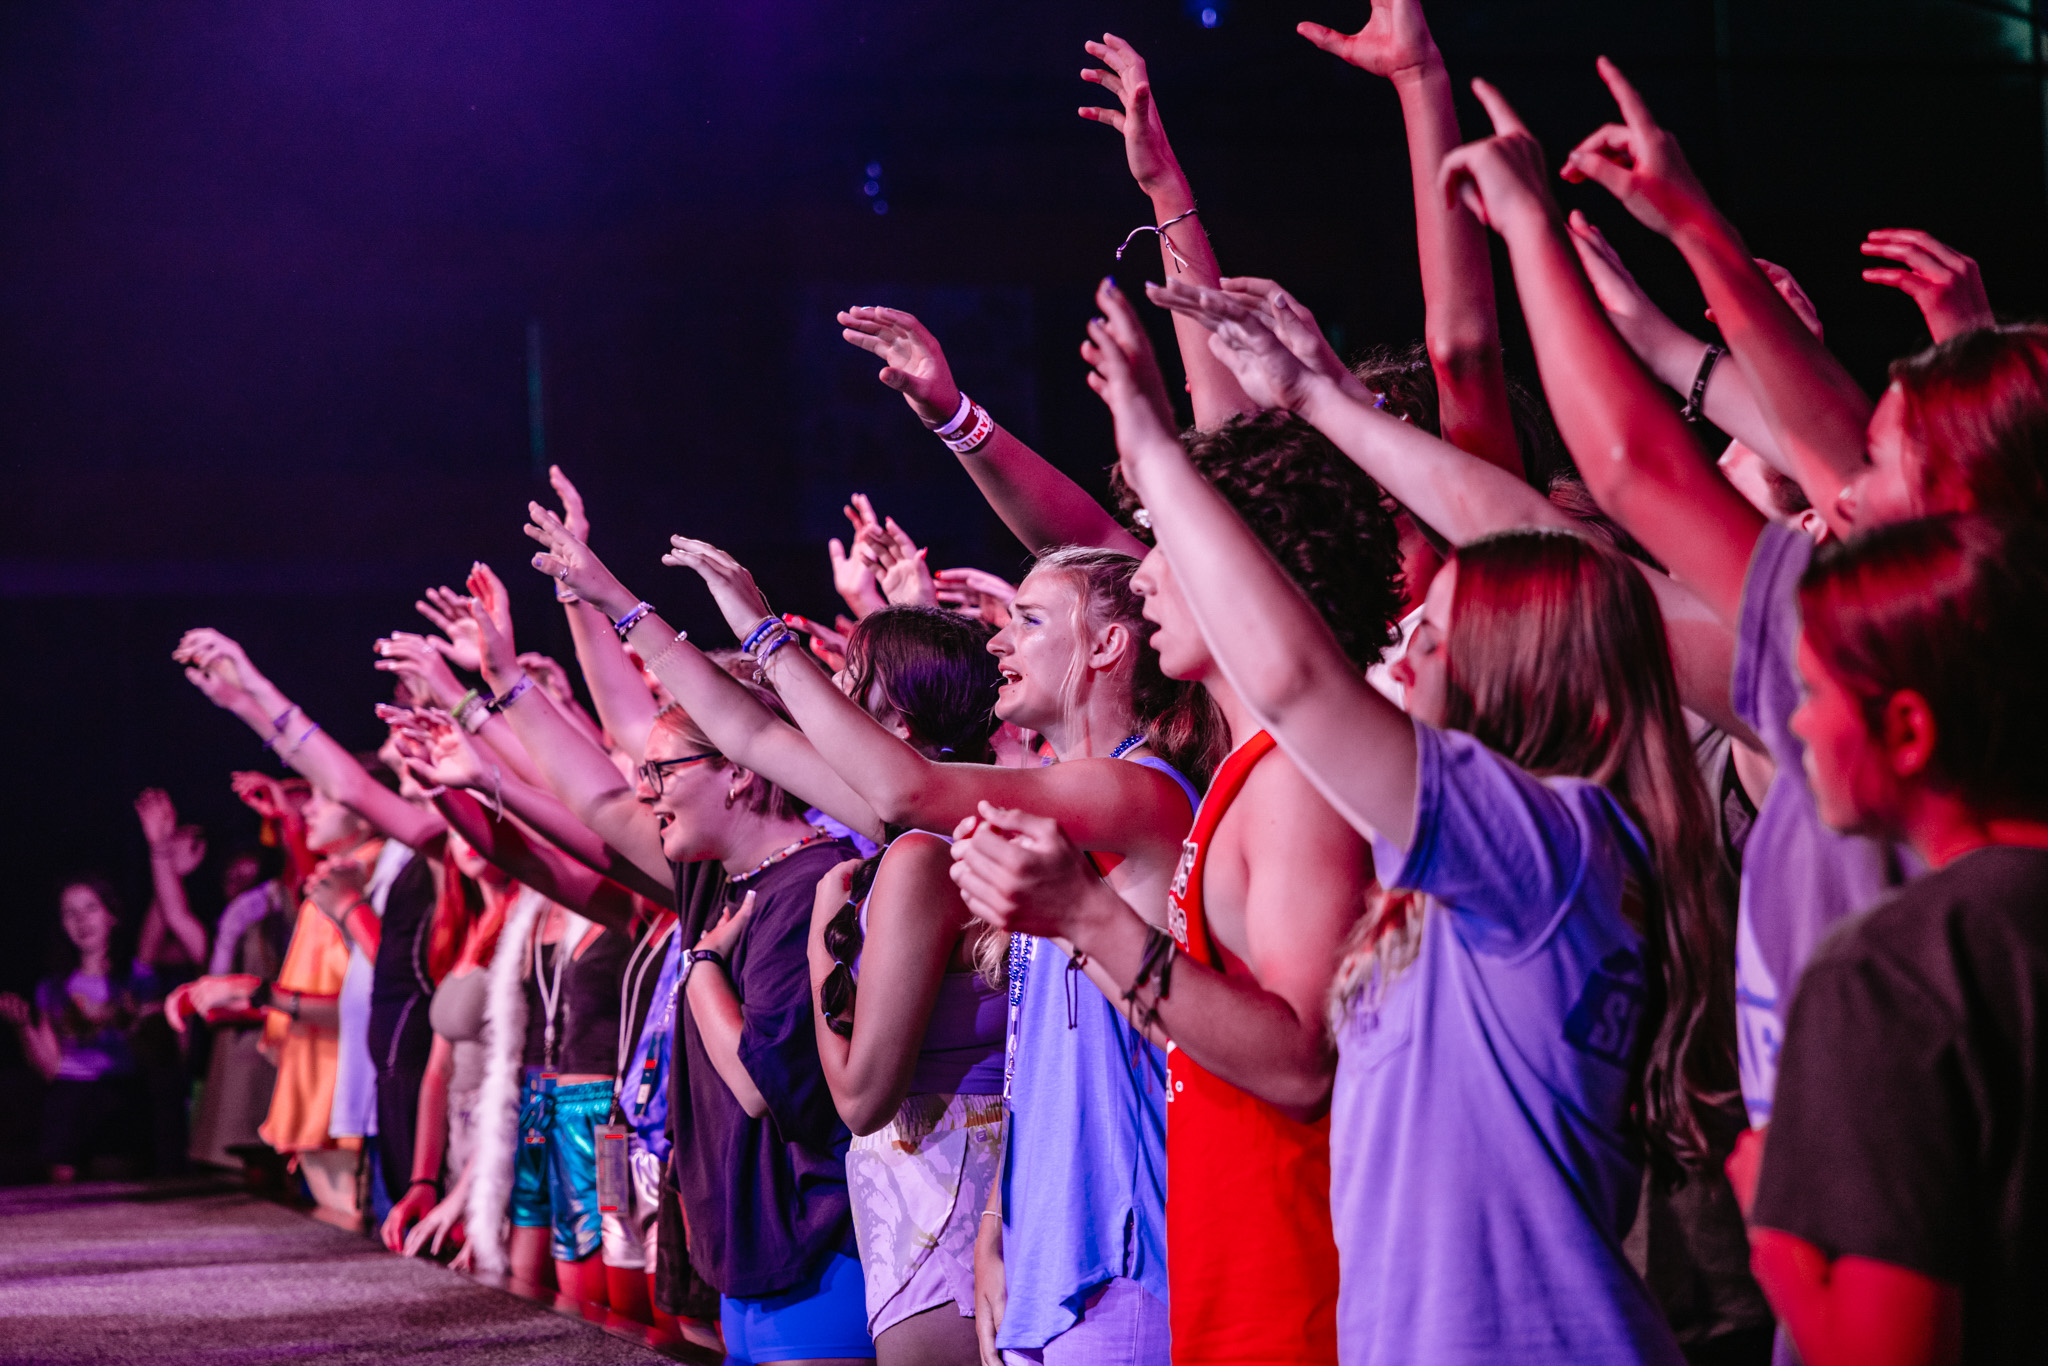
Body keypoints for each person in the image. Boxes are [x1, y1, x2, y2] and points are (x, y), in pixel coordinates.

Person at [1083, 273, 1730, 1365]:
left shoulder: (1550, 843)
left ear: (1518, 673)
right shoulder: (1522, 857)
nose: (1403, 649)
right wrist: (1318, 400)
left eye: (1433, 632)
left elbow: (1294, 678)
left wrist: (1157, 456)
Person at [945, 296, 1406, 1364]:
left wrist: (1085, 917)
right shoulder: (1249, 773)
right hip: (1213, 1271)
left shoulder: (1291, 783)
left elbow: (1296, 1065)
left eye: (1169, 542)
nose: (1143, 572)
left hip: (1285, 1288)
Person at [1733, 514, 2048, 1366]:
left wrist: (1779, 1229)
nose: (1792, 728)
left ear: (1908, 730)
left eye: (1813, 695)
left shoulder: (1892, 976)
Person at [1, 878, 162, 1182]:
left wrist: (135, 1025)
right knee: (64, 1195)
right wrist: (23, 1026)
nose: (81, 920)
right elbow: (50, 1068)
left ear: (111, 915)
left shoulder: (137, 978)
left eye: (90, 908)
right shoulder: (52, 986)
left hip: (121, 1092)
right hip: (68, 1096)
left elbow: (155, 1051)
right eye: (69, 912)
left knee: (117, 1190)